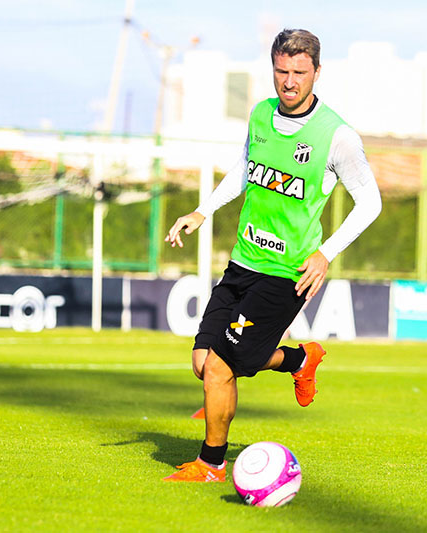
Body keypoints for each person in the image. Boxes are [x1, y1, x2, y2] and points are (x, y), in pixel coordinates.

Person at [162, 28, 382, 482]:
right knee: (203, 363)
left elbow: (370, 203)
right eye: (282, 71)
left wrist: (325, 253)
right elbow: (245, 170)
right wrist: (202, 211)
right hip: (243, 261)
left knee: (220, 367)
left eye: (299, 72)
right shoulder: (261, 114)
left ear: (316, 72)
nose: (289, 81)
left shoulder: (336, 136)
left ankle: (211, 463)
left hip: (287, 273)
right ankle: (298, 361)